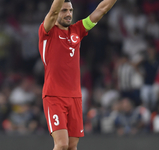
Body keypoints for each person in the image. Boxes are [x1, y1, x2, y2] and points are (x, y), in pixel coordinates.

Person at [38, 0, 117, 150]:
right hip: (54, 96)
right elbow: (53, 10)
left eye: (70, 10)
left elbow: (101, 10)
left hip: (75, 97)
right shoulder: (47, 31)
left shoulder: (78, 30)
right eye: (64, 11)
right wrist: (57, 8)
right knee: (61, 144)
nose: (68, 14)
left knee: (72, 146)